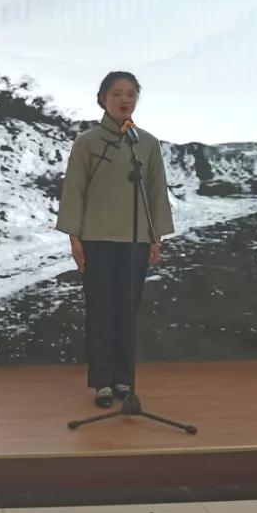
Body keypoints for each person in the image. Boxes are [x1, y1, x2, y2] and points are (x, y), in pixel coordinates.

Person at [55, 71, 174, 409]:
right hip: (96, 238)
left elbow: (156, 192)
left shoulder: (146, 143)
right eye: (117, 94)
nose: (125, 100)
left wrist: (155, 237)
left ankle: (124, 378)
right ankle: (102, 383)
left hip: (136, 240)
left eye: (131, 94)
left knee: (127, 311)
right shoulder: (87, 142)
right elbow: (74, 189)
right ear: (103, 99)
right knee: (101, 311)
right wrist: (75, 238)